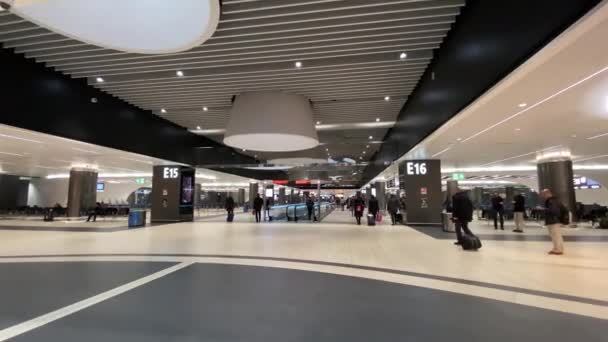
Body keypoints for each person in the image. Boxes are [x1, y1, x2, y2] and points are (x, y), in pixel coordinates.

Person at [541, 189, 565, 255]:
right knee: (554, 236)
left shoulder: (552, 201)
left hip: (553, 220)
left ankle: (558, 250)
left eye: (543, 194)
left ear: (547, 193)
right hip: (552, 220)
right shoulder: (552, 200)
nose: (543, 196)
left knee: (556, 235)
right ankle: (556, 248)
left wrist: (545, 210)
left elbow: (554, 211)